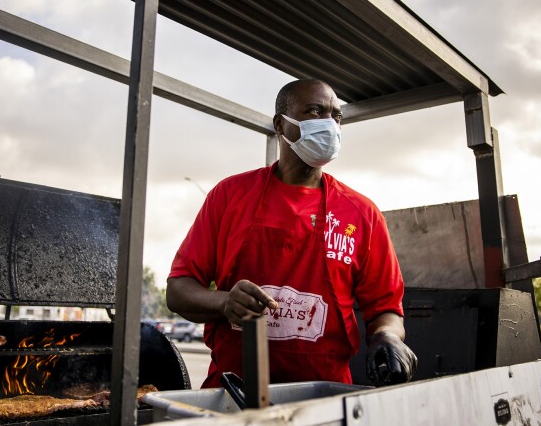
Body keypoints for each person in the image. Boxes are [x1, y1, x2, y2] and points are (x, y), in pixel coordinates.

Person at [166, 78, 417, 388]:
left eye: (335, 116)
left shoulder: (362, 214)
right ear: (280, 125)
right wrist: (223, 301)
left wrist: (387, 337)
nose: (329, 124)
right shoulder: (229, 195)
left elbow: (386, 310)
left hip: (325, 394)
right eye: (315, 111)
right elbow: (178, 290)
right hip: (235, 392)